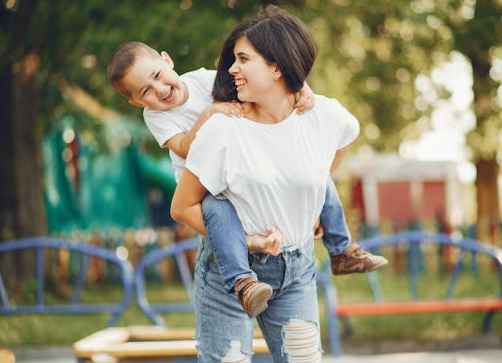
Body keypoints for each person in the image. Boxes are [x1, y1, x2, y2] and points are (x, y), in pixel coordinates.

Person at [107, 38, 386, 319]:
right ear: (136, 101)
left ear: (167, 61)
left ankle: (341, 250)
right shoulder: (156, 117)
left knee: (318, 176)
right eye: (146, 91)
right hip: (206, 186)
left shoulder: (204, 79)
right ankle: (243, 283)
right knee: (219, 211)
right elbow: (183, 148)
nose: (160, 89)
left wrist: (301, 86)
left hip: (240, 168)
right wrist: (208, 115)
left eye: (157, 75)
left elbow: (257, 80)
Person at [170, 6, 387, 363]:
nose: (231, 69)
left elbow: (342, 140)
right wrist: (248, 240)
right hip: (230, 271)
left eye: (243, 59)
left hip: (297, 265)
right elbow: (182, 208)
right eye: (232, 60)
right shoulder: (223, 128)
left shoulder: (323, 115)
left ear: (277, 66)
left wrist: (315, 197)